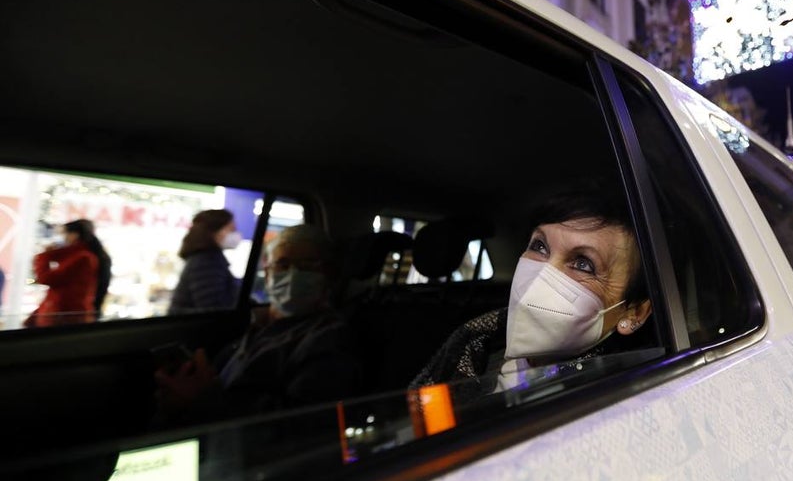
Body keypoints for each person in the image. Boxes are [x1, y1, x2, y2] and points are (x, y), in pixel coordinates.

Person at [411, 183, 653, 393]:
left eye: (583, 264)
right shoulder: (476, 345)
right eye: (539, 246)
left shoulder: (619, 396)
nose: (541, 275)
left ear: (635, 313)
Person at [154, 223, 362, 424]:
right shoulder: (258, 325)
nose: (293, 275)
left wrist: (204, 399)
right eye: (283, 265)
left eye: (309, 266)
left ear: (329, 275)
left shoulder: (327, 339)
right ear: (268, 272)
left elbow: (299, 424)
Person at [25, 219, 102, 327]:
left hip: (64, 316)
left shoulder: (82, 258)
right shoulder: (80, 256)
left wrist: (44, 256)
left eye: (63, 233)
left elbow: (46, 278)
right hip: (63, 315)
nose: (61, 238)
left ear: (74, 235)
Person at [169, 208, 241, 314]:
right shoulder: (206, 262)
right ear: (214, 232)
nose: (236, 234)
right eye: (231, 229)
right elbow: (213, 309)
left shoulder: (208, 257)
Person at [72, 219, 113, 317]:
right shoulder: (98, 253)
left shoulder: (84, 256)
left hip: (82, 308)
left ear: (75, 235)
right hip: (91, 306)